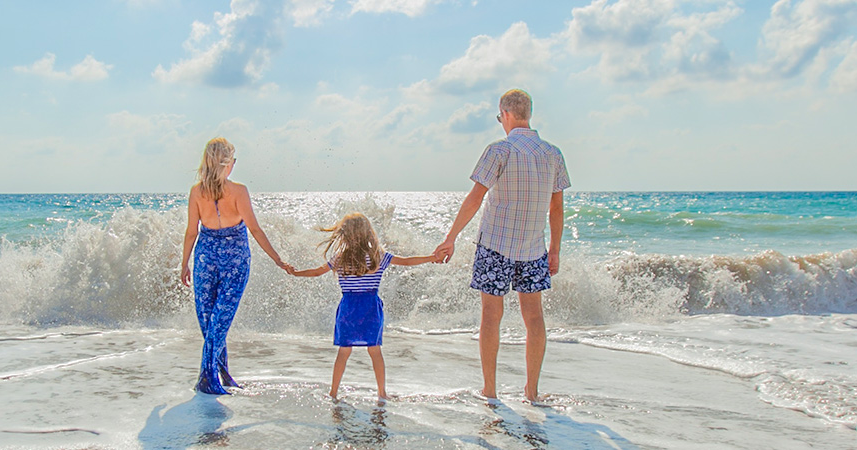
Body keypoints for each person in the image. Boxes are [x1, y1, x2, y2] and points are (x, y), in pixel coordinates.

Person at [433, 89, 571, 402]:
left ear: (505, 114)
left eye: (500, 118)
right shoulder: (553, 153)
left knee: (491, 317)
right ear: (529, 113)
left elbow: (475, 198)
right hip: (534, 249)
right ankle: (531, 391)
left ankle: (490, 390)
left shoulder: (499, 150)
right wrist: (555, 250)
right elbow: (557, 209)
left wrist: (451, 237)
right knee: (534, 318)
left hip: (495, 245)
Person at [285, 213, 440, 399]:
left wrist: (296, 273)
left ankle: (333, 392)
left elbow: (317, 272)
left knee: (343, 352)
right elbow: (407, 261)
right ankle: (382, 393)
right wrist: (432, 258)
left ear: (344, 235)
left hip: (348, 308)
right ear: (368, 233)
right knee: (375, 351)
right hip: (370, 308)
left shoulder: (340, 258)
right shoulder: (377, 257)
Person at [181, 137, 290, 395]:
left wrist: (184, 263)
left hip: (205, 257)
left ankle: (219, 375)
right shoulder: (238, 191)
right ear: (228, 164)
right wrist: (277, 258)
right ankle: (209, 377)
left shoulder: (197, 191)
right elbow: (254, 228)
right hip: (235, 259)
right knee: (218, 320)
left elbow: (191, 232)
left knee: (211, 321)